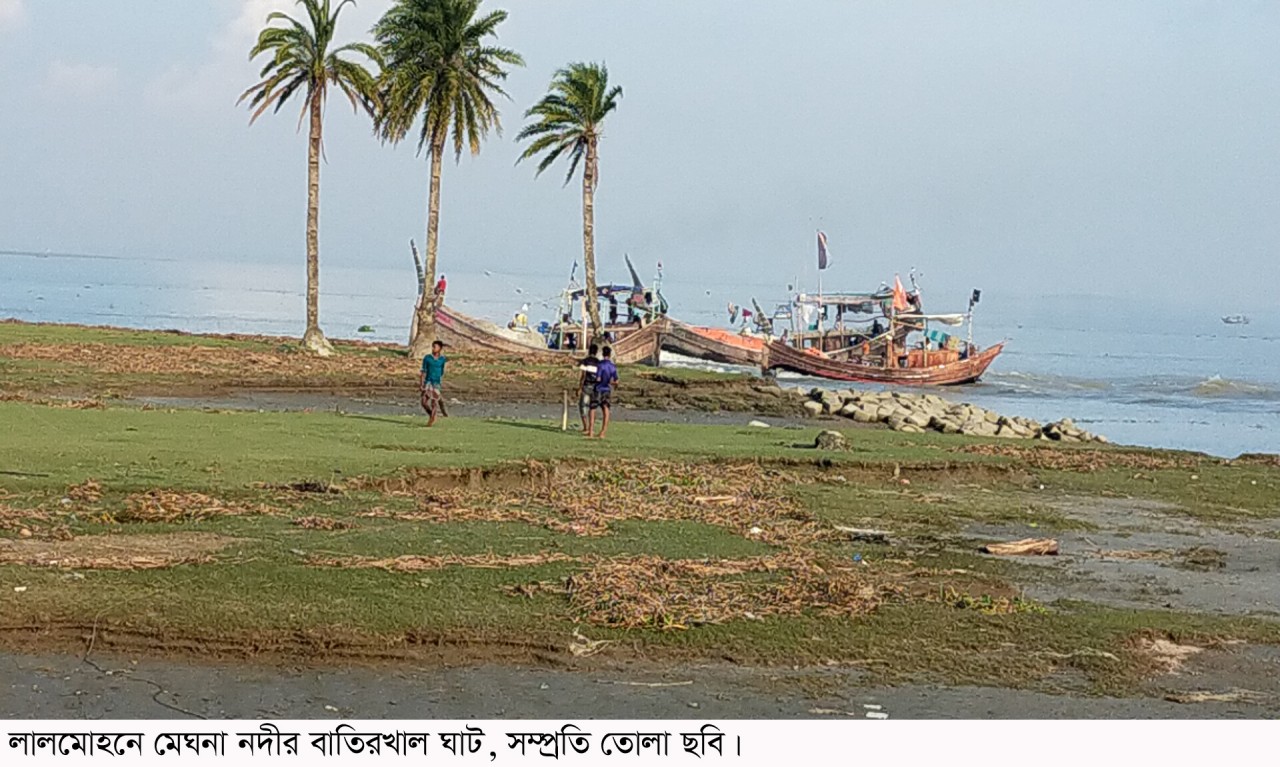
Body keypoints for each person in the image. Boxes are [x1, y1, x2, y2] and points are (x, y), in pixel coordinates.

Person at [587, 346, 618, 439]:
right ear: (610, 354)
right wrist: (610, 382)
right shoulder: (612, 366)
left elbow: (598, 378)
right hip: (606, 389)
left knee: (593, 408)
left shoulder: (600, 364)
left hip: (598, 388)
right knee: (606, 408)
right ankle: (603, 432)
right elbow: (616, 380)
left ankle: (591, 431)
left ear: (603, 354)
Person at [419, 340, 448, 427]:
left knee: (434, 402)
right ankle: (431, 414)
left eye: (435, 347)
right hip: (428, 381)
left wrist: (438, 378)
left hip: (436, 382)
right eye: (432, 347)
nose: (433, 348)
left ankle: (432, 418)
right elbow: (423, 371)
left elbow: (442, 371)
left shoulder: (442, 359)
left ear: (440, 348)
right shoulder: (427, 358)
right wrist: (421, 383)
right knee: (423, 401)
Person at [576, 343, 600, 433]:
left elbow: (583, 376)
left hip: (586, 386)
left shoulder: (585, 361)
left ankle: (586, 427)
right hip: (595, 387)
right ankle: (591, 428)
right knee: (592, 408)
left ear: (589, 351)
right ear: (596, 352)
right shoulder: (598, 362)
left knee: (583, 406)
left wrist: (579, 388)